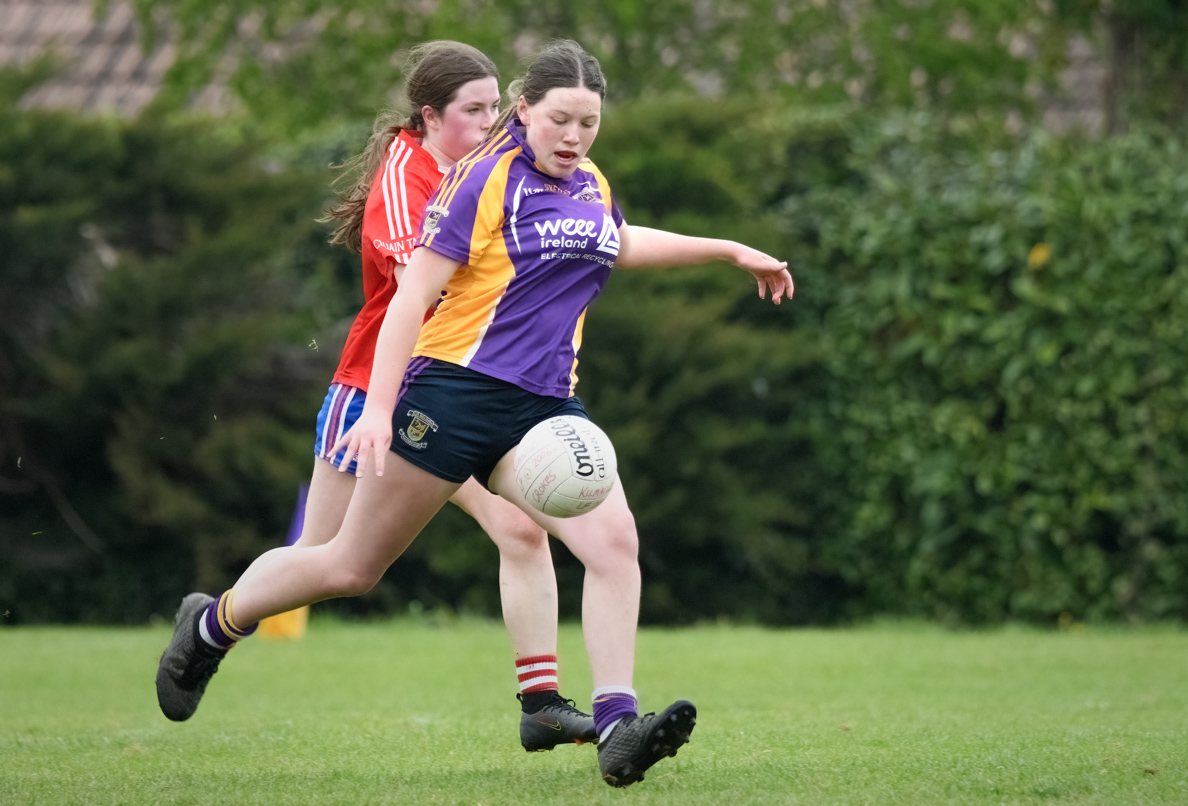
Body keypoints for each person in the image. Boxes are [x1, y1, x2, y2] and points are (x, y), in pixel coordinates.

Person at [156, 39, 792, 788]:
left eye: (588, 123)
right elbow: (408, 301)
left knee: (614, 544)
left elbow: (615, 241)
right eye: (559, 119)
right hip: (452, 395)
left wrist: (727, 250)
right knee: (349, 567)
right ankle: (212, 623)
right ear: (525, 111)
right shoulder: (480, 182)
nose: (574, 137)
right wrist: (379, 410)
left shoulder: (587, 181)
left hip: (546, 406)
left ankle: (618, 725)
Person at [154, 41, 595, 753]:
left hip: (458, 392)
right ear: (428, 116)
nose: (488, 125)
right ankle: (211, 625)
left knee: (519, 528)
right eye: (472, 112)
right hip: (375, 392)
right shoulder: (407, 173)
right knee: (336, 564)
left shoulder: (489, 173)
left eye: (494, 109)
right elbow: (419, 276)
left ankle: (540, 702)